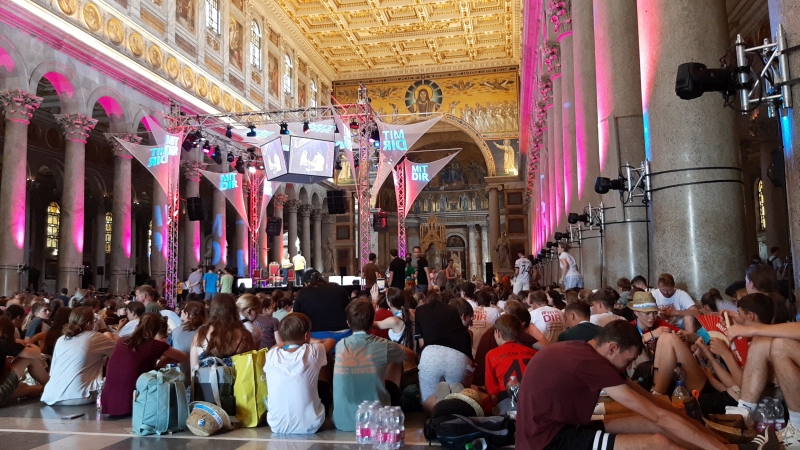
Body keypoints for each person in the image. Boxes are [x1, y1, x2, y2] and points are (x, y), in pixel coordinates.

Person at [517, 320, 756, 450]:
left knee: (651, 422)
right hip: (548, 442)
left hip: (559, 428)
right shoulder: (589, 362)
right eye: (629, 361)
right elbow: (658, 417)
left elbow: (656, 404)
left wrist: (717, 439)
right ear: (612, 348)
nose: (629, 367)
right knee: (659, 443)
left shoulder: (585, 350)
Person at [332, 299, 416, 431]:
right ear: (373, 322)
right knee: (397, 359)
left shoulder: (340, 345)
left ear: (348, 323)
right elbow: (411, 355)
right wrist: (398, 347)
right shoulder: (383, 345)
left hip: (342, 422)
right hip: (376, 422)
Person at [102, 313, 188, 415]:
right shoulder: (154, 345)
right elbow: (183, 357)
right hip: (133, 399)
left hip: (109, 401)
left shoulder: (122, 341)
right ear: (157, 329)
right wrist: (162, 362)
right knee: (170, 364)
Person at [265, 313, 336, 434]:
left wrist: (286, 341)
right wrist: (311, 341)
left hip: (276, 425)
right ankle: (328, 402)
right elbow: (331, 341)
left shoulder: (271, 354)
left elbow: (276, 346)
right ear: (306, 335)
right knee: (326, 356)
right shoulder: (313, 351)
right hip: (311, 425)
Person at [41, 307, 116, 405]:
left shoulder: (62, 339)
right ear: (89, 323)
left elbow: (53, 371)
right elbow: (119, 355)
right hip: (79, 395)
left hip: (50, 396)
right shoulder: (95, 337)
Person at [415, 293, 475, 403]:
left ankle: (439, 405)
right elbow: (469, 360)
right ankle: (454, 402)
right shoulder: (466, 333)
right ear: (462, 316)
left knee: (428, 401)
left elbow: (421, 345)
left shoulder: (425, 316)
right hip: (458, 357)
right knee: (461, 400)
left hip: (430, 355)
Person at [190, 294, 254, 370]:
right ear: (234, 310)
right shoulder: (245, 335)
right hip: (236, 381)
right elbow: (249, 368)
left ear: (212, 310)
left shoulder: (201, 334)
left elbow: (193, 371)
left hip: (205, 381)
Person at [485, 314, 536, 406]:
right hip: (531, 397)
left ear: (498, 333)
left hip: (506, 398)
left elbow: (492, 391)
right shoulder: (533, 352)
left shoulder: (491, 354)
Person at [0, 316, 50, 406]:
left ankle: (40, 389)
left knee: (25, 388)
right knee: (27, 359)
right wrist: (29, 343)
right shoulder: (4, 343)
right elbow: (35, 353)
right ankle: (51, 386)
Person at [292, 270, 350, 341]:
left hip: (317, 337)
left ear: (305, 283)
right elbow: (349, 308)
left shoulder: (303, 293)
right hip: (345, 334)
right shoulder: (337, 287)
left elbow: (296, 317)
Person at [168, 301, 206, 377]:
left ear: (187, 314)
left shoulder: (175, 332)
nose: (181, 311)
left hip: (181, 378)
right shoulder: (207, 331)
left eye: (184, 309)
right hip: (205, 377)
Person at [470, 288, 501, 354]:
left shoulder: (470, 311)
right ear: (490, 303)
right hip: (489, 348)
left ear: (476, 303)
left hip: (471, 347)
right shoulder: (495, 311)